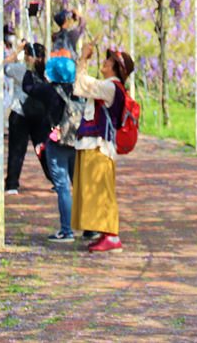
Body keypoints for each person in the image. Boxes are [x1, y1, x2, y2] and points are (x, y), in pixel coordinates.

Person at [72, 43, 135, 253]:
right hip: (95, 145)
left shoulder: (110, 87)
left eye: (108, 61)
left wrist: (84, 59)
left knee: (101, 191)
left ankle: (112, 235)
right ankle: (105, 233)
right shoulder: (110, 86)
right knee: (97, 191)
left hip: (99, 146)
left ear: (115, 68)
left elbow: (80, 84)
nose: (104, 62)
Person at [25, 69, 83, 242]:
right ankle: (90, 228)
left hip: (57, 142)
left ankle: (67, 231)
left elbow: (28, 87)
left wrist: (30, 68)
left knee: (62, 187)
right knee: (79, 184)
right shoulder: (78, 89)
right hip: (76, 141)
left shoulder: (48, 90)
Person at [5, 42, 52, 194]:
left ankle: (12, 184)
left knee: (16, 150)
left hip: (20, 113)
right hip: (41, 115)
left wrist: (16, 50)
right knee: (44, 148)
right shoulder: (48, 71)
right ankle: (56, 180)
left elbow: (4, 67)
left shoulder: (20, 69)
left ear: (28, 56)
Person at [46, 9, 84, 84]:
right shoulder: (71, 35)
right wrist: (79, 16)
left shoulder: (55, 37)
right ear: (66, 20)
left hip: (57, 74)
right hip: (69, 74)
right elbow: (82, 25)